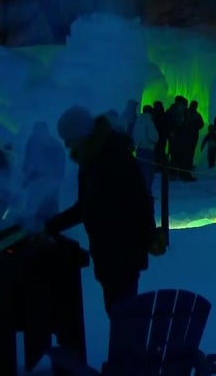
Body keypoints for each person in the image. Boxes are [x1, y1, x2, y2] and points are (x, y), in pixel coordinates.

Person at [45, 107, 157, 315]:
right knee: (118, 312)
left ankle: (126, 347)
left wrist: (147, 237)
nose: (67, 145)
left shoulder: (112, 157)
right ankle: (124, 346)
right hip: (109, 252)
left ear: (81, 134)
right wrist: (52, 225)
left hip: (122, 252)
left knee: (123, 314)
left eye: (69, 138)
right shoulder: (91, 158)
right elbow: (85, 206)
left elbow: (140, 201)